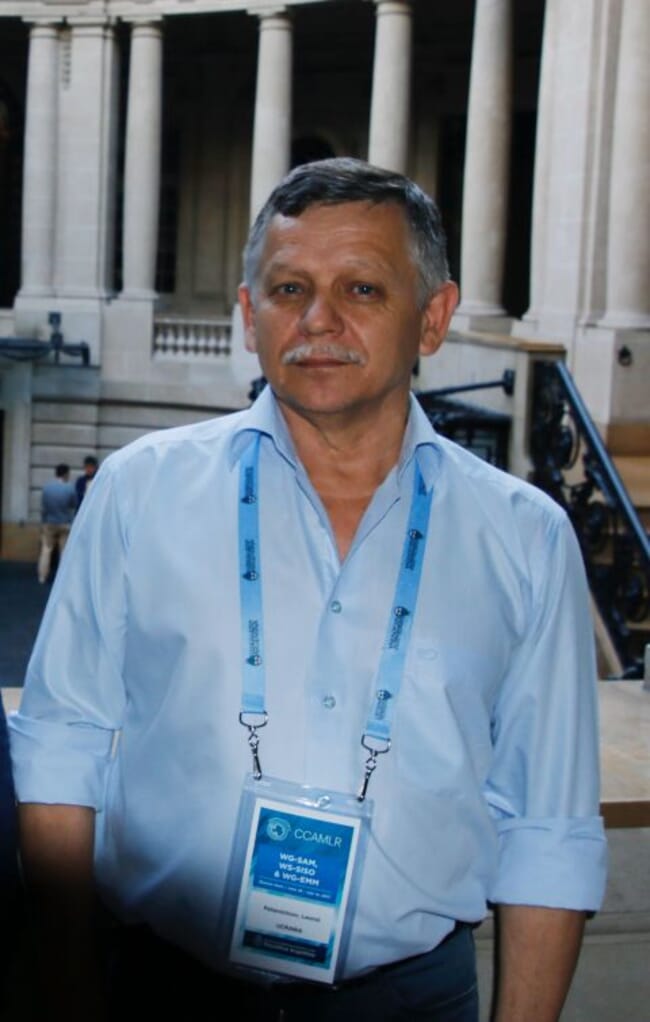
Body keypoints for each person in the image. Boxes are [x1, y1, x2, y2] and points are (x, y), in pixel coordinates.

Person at [9, 158, 607, 1022]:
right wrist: (67, 995)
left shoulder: (527, 539)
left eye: (362, 288)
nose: (318, 320)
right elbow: (62, 750)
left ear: (433, 318)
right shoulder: (139, 492)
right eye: (289, 289)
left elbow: (548, 826)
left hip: (410, 999)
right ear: (249, 315)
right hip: (164, 989)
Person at [36, 462, 76, 584]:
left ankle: (42, 576)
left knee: (46, 550)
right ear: (66, 474)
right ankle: (62, 579)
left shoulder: (47, 488)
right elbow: (73, 505)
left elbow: (44, 506)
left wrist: (43, 521)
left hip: (49, 522)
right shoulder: (70, 488)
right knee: (64, 551)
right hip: (65, 523)